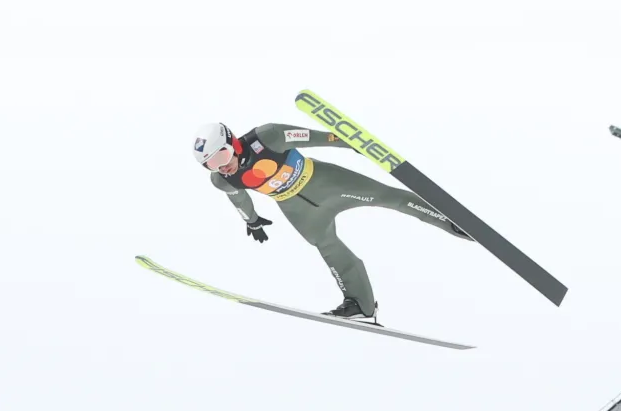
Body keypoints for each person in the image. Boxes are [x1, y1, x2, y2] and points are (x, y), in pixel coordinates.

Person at [192, 121, 472, 320]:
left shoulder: (268, 137)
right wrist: (251, 220)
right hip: (298, 209)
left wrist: (353, 143)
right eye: (211, 164)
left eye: (223, 156)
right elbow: (238, 198)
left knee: (390, 198)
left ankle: (452, 221)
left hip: (326, 182)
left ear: (233, 142)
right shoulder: (222, 179)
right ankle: (361, 305)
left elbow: (315, 137)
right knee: (327, 246)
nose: (221, 166)